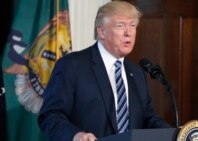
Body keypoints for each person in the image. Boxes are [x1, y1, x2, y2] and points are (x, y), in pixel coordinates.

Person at [38, 1, 170, 141]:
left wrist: (177, 134)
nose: (129, 33)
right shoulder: (72, 66)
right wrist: (76, 135)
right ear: (101, 31)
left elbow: (148, 118)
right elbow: (50, 115)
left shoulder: (136, 73)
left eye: (132, 25)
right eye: (120, 26)